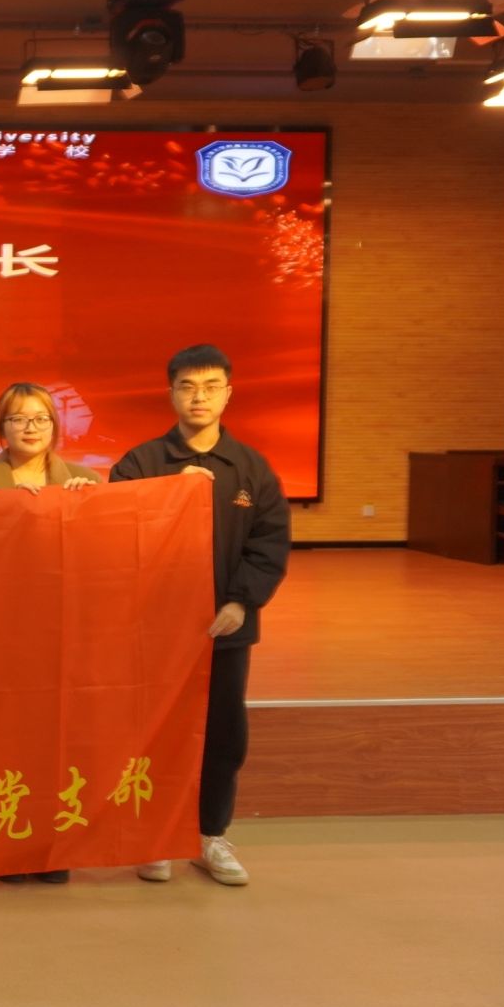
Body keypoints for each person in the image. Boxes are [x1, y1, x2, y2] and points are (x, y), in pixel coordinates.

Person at [110, 344, 289, 887]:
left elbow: (269, 543)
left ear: (228, 394)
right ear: (171, 394)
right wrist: (168, 496)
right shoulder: (141, 464)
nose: (199, 397)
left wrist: (240, 601)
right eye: (188, 386)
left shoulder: (252, 469)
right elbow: (115, 533)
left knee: (222, 734)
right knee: (155, 732)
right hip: (155, 631)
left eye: (211, 387)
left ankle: (210, 836)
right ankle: (157, 836)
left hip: (224, 629)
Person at [0, 381, 101, 885]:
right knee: (3, 741)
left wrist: (89, 508)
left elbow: (108, 556)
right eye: (18, 418)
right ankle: (6, 845)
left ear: (55, 425)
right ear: (1, 427)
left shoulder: (84, 481)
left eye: (40, 418)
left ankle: (53, 846)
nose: (30, 427)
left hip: (64, 636)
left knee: (58, 740)